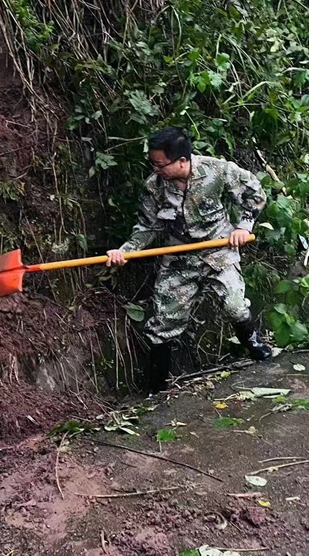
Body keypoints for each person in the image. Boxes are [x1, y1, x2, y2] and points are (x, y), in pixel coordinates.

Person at [108, 127, 272, 392]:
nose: (156, 169)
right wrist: (125, 250)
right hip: (179, 256)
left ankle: (255, 346)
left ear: (182, 161)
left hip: (218, 248)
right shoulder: (154, 187)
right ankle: (156, 388)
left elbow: (255, 193)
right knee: (163, 322)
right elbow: (148, 227)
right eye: (153, 163)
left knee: (234, 306)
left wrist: (244, 227)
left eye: (160, 164)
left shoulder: (217, 170)